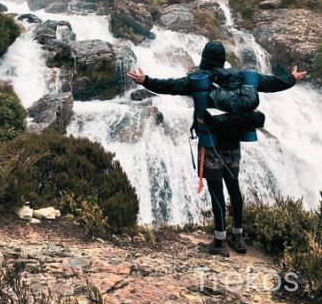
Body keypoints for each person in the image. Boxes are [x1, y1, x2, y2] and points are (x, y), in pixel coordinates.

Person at [127, 40, 307, 258]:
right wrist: (292, 78)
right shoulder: (244, 77)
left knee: (216, 189)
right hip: (233, 139)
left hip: (210, 141)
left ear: (205, 57)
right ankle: (238, 237)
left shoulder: (199, 81)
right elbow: (273, 83)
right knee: (234, 186)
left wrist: (145, 80)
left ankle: (220, 241)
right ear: (223, 59)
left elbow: (170, 86)